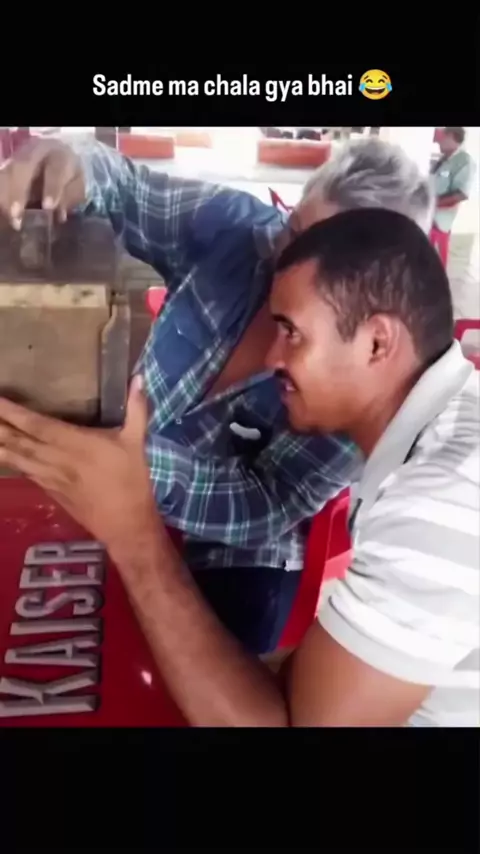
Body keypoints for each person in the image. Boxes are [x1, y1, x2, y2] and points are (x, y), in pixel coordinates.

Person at [0, 208, 477, 727]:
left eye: (291, 333)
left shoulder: (440, 498)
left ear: (377, 343)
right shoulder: (436, 433)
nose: (271, 358)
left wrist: (134, 533)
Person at [0, 136, 433, 656]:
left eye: (325, 273)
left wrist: (132, 471)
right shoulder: (238, 232)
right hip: (108, 469)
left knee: (193, 673)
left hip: (234, 549)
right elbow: (126, 189)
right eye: (294, 233)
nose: (286, 266)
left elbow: (268, 500)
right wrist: (71, 164)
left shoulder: (369, 390)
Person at [429, 127, 475, 267]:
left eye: (442, 138)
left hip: (440, 220)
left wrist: (431, 204)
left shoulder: (464, 161)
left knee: (435, 259)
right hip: (429, 216)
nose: (438, 141)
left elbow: (460, 194)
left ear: (451, 137)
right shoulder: (444, 159)